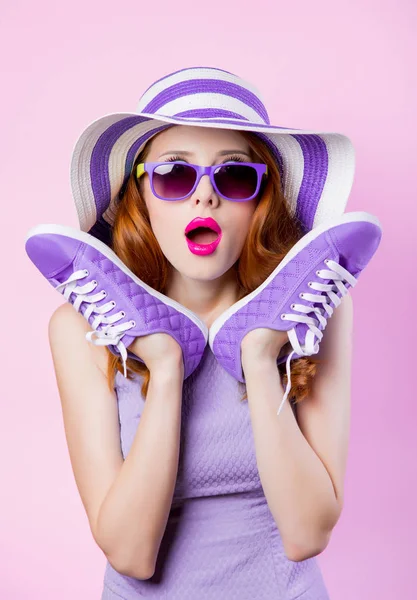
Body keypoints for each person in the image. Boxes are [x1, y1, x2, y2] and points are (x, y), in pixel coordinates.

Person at [46, 66, 357, 599]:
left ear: (261, 199)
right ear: (140, 195)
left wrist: (259, 355)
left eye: (234, 177)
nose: (203, 198)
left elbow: (308, 534)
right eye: (174, 175)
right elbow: (131, 554)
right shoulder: (83, 328)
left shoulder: (315, 310)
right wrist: (166, 364)